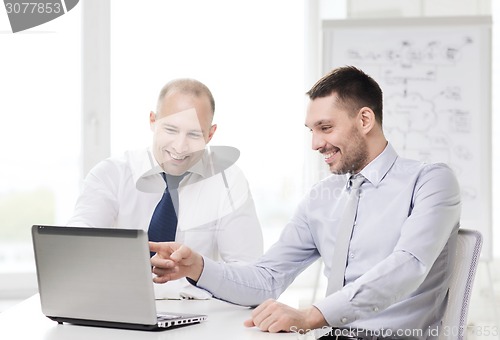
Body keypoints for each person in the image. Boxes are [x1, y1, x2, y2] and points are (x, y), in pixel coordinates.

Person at [149, 66, 461, 339]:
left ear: (365, 119)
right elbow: (266, 279)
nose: (315, 144)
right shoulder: (320, 199)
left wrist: (311, 315)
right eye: (312, 131)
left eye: (325, 128)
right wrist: (198, 267)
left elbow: (408, 266)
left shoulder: (430, 181)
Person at [68, 78, 263, 298]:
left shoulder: (227, 181)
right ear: (153, 121)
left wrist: (198, 269)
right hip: (121, 307)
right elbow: (76, 248)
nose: (180, 147)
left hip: (200, 319)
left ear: (210, 134)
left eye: (194, 134)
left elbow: (251, 278)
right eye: (171, 129)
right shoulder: (112, 174)